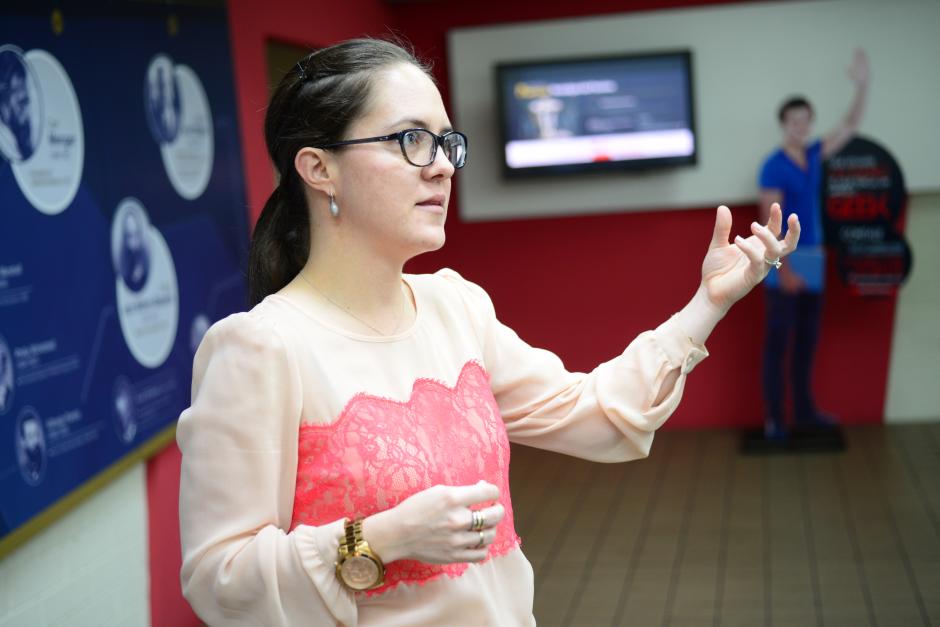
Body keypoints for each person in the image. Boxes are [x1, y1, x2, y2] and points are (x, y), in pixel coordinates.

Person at [177, 38, 800, 626]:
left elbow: (599, 417)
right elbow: (217, 580)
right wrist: (379, 539)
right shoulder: (261, 346)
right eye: (412, 139)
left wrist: (708, 303)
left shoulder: (456, 308)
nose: (443, 166)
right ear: (319, 168)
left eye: (447, 142)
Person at [758, 49, 869, 440]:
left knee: (806, 346)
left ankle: (804, 414)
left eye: (806, 120)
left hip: (814, 261)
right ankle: (774, 420)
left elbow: (851, 124)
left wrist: (862, 85)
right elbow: (768, 229)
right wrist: (781, 271)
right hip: (782, 265)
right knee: (777, 346)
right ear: (783, 125)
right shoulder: (772, 166)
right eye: (794, 121)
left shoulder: (817, 153)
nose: (800, 126)